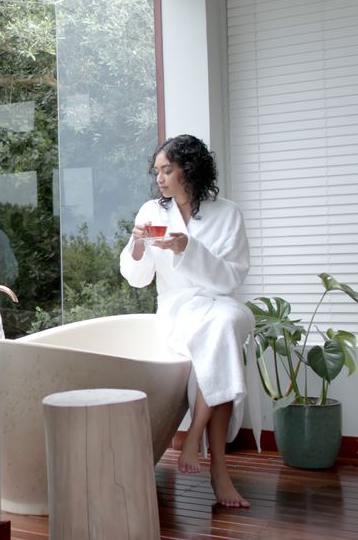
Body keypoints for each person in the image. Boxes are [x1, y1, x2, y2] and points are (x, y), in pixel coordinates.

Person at [119, 134, 254, 508]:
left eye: (168, 169)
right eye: (157, 171)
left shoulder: (228, 213)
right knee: (221, 338)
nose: (160, 178)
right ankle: (219, 471)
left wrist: (188, 249)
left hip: (217, 303)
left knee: (224, 325)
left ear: (189, 169)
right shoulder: (151, 212)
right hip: (178, 310)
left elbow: (232, 277)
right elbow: (137, 277)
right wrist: (138, 244)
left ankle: (194, 435)